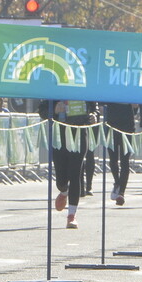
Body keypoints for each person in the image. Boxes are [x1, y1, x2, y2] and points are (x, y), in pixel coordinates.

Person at [39, 98, 97, 228]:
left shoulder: (84, 89)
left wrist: (94, 116)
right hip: (60, 136)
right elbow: (42, 110)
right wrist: (53, 110)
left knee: (75, 174)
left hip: (79, 133)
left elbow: (94, 108)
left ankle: (71, 215)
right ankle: (64, 191)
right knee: (61, 179)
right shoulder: (54, 89)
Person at [103, 102, 134, 205]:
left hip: (127, 127)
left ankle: (121, 192)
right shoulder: (112, 89)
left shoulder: (130, 90)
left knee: (125, 161)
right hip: (112, 126)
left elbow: (135, 106)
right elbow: (103, 103)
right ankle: (117, 182)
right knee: (113, 159)